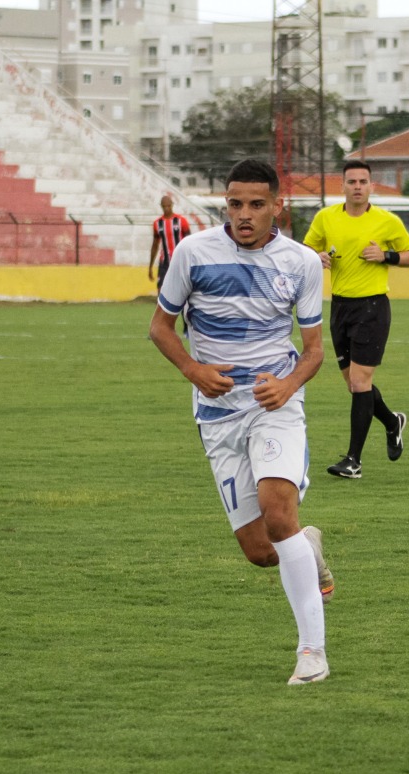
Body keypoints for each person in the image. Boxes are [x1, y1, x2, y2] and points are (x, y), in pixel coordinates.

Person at [149, 159, 334, 685]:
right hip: (216, 415)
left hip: (273, 406)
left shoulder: (300, 262)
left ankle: (311, 653)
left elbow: (315, 350)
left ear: (279, 205)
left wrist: (289, 384)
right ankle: (308, 545)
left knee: (279, 517)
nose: (244, 214)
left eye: (256, 204)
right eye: (235, 203)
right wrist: (192, 368)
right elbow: (160, 328)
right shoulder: (193, 252)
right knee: (261, 552)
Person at [303, 159, 409, 480]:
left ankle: (353, 461)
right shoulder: (326, 218)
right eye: (351, 181)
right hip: (340, 308)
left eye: (362, 182)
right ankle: (392, 422)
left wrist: (386, 255)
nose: (357, 187)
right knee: (354, 386)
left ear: (371, 187)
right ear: (342, 186)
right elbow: (305, 250)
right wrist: (316, 256)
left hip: (372, 307)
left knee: (359, 382)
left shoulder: (387, 221)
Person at [148, 193, 191, 291]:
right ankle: (161, 306)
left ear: (172, 205)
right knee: (161, 288)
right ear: (161, 207)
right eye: (164, 206)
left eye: (168, 206)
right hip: (165, 261)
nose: (166, 208)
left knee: (183, 288)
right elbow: (155, 245)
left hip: (180, 260)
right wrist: (150, 266)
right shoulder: (157, 223)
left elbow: (189, 242)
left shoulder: (181, 221)